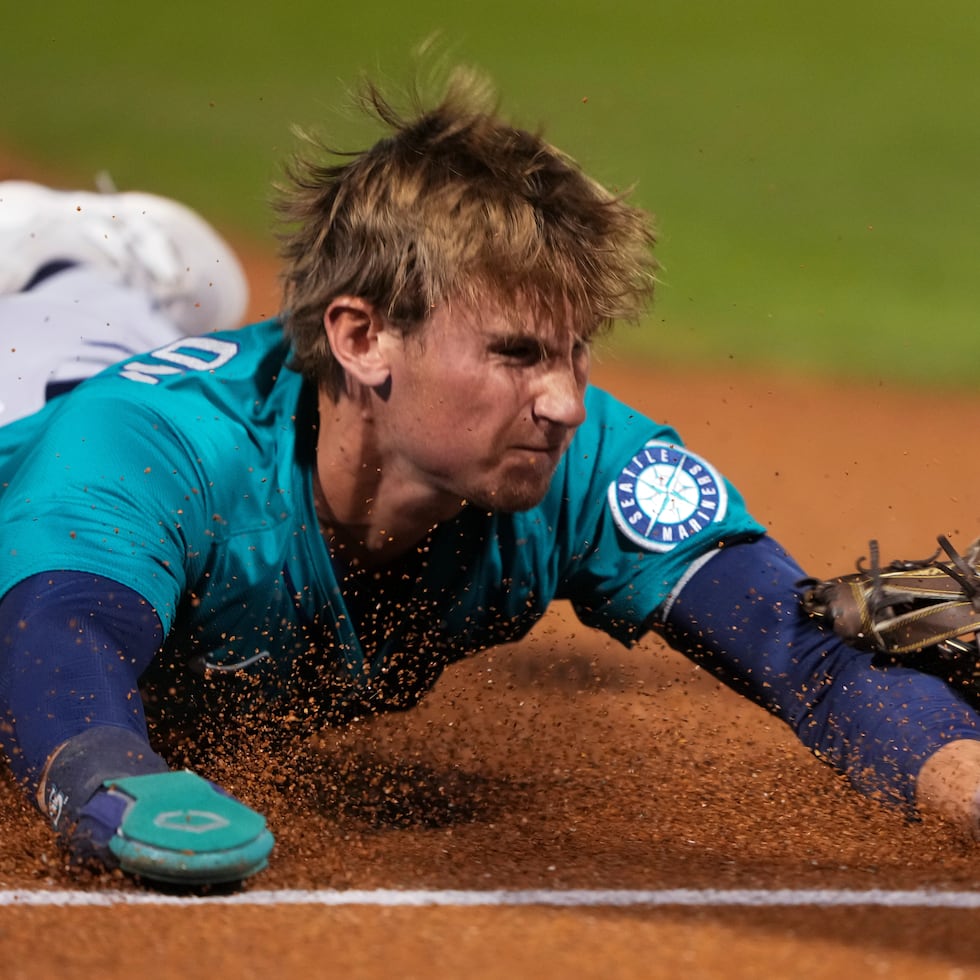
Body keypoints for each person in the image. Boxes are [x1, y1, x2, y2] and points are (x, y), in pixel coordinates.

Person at [1, 69, 980, 889]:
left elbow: (793, 645)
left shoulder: (581, 463)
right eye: (516, 354)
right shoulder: (150, 448)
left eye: (576, 351)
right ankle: (70, 268)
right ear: (363, 335)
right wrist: (107, 773)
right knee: (72, 362)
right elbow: (57, 629)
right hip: (36, 411)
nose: (562, 401)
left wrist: (959, 774)